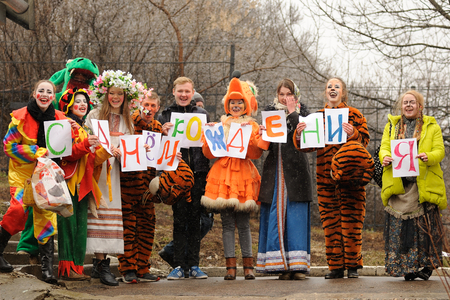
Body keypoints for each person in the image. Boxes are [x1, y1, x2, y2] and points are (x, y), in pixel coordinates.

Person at [294, 77, 370, 279]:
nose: (333, 89)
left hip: (351, 179)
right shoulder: (316, 117)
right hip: (325, 178)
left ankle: (353, 266)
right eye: (329, 87)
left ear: (343, 92)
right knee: (331, 224)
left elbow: (365, 142)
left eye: (337, 86)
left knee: (352, 223)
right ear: (325, 92)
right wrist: (300, 136)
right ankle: (336, 266)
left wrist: (354, 133)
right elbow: (307, 146)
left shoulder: (355, 115)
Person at [0, 80, 68, 283]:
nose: (45, 94)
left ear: (53, 97)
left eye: (49, 91)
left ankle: (47, 271)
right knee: (18, 209)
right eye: (41, 91)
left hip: (46, 177)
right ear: (34, 93)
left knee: (46, 217)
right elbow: (9, 147)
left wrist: (75, 130)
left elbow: (65, 148)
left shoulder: (60, 119)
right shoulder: (19, 118)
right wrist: (36, 152)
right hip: (22, 176)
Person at [380, 90, 447, 280]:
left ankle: (425, 266)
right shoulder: (392, 127)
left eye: (412, 102)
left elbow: (439, 150)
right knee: (403, 230)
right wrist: (384, 156)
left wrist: (429, 156)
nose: (408, 105)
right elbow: (385, 146)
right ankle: (407, 267)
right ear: (401, 106)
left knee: (423, 230)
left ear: (420, 106)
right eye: (405, 102)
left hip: (422, 183)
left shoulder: (431, 126)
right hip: (399, 184)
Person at [201, 74, 262, 280]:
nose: (236, 105)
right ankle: (230, 267)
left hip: (243, 176)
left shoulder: (252, 125)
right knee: (227, 224)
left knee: (244, 224)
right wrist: (208, 136)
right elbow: (210, 154)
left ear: (246, 104)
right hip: (223, 177)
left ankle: (248, 267)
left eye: (240, 102)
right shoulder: (220, 124)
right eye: (232, 102)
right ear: (227, 104)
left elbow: (255, 153)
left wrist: (255, 138)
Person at [85, 70, 140, 286]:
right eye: (112, 93)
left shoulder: (128, 119)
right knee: (98, 211)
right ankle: (101, 263)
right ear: (105, 94)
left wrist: (138, 149)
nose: (115, 97)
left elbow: (129, 147)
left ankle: (101, 265)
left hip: (116, 174)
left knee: (111, 213)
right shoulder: (94, 115)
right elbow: (88, 141)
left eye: (120, 94)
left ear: (126, 97)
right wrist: (105, 149)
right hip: (98, 170)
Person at [256, 79, 313, 280]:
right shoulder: (270, 115)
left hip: (296, 172)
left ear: (295, 96)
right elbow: (262, 147)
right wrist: (261, 134)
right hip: (275, 171)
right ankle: (279, 264)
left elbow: (307, 140)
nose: (285, 97)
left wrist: (292, 113)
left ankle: (297, 266)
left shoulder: (303, 114)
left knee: (295, 217)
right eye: (282, 94)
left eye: (289, 94)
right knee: (276, 215)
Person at [158, 77, 210, 280]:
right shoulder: (165, 115)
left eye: (187, 91)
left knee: (195, 220)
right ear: (173, 91)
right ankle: (179, 265)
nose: (184, 95)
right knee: (179, 220)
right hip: (175, 175)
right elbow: (157, 147)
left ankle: (194, 265)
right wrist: (161, 133)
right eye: (180, 91)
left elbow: (209, 144)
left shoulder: (202, 115)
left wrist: (212, 130)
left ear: (193, 92)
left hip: (198, 172)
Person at [56, 88, 110, 281]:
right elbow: (66, 154)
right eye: (78, 101)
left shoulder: (85, 129)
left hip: (83, 184)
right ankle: (66, 267)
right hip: (68, 181)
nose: (82, 104)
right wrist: (87, 144)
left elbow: (91, 160)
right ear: (70, 105)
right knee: (68, 225)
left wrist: (107, 151)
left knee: (81, 227)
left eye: (85, 102)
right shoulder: (65, 125)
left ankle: (77, 268)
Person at [117, 90, 162, 284]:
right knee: (129, 227)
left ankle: (143, 267)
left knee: (147, 226)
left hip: (147, 186)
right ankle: (128, 269)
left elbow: (162, 156)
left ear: (157, 108)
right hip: (128, 184)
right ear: (138, 105)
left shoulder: (158, 128)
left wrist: (172, 156)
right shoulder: (127, 123)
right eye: (146, 105)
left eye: (153, 106)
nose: (149, 109)